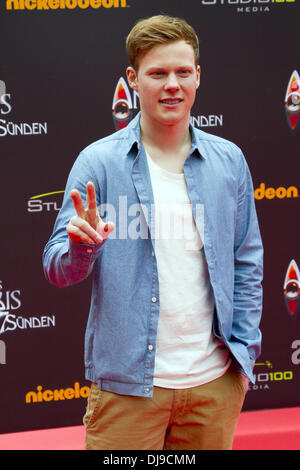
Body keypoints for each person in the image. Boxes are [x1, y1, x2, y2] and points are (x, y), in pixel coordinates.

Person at [43, 15, 263, 450]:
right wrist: (80, 248)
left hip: (213, 387)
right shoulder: (98, 164)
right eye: (157, 73)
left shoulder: (229, 161)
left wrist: (243, 354)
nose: (172, 85)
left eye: (183, 72)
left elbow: (247, 261)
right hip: (128, 391)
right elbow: (57, 268)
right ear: (133, 79)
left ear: (198, 76)